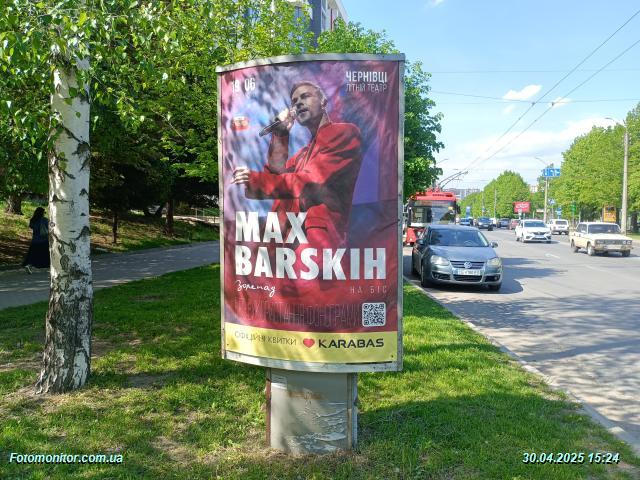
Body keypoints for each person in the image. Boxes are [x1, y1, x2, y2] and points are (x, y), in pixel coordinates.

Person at [232, 81, 362, 251]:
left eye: (305, 96)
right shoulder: (301, 155)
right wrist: (280, 134)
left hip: (318, 244)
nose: (298, 103)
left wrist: (256, 180)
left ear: (323, 102)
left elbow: (308, 180)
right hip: (289, 242)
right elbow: (276, 175)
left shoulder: (344, 133)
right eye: (294, 101)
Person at [22, 207, 50, 273]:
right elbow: (50, 227)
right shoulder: (44, 220)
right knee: (45, 255)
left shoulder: (33, 220)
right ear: (42, 213)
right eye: (44, 212)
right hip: (43, 241)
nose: (44, 213)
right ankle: (48, 267)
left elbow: (31, 227)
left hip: (34, 241)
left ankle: (29, 265)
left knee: (33, 256)